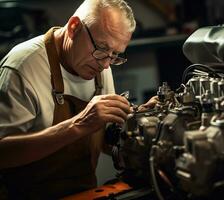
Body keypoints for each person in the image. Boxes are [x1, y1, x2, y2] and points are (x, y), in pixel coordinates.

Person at [0, 0, 156, 199]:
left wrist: (139, 123)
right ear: (74, 27)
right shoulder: (23, 67)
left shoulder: (99, 63)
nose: (106, 64)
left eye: (115, 55)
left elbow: (106, 140)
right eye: (101, 48)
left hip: (84, 192)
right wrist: (79, 124)